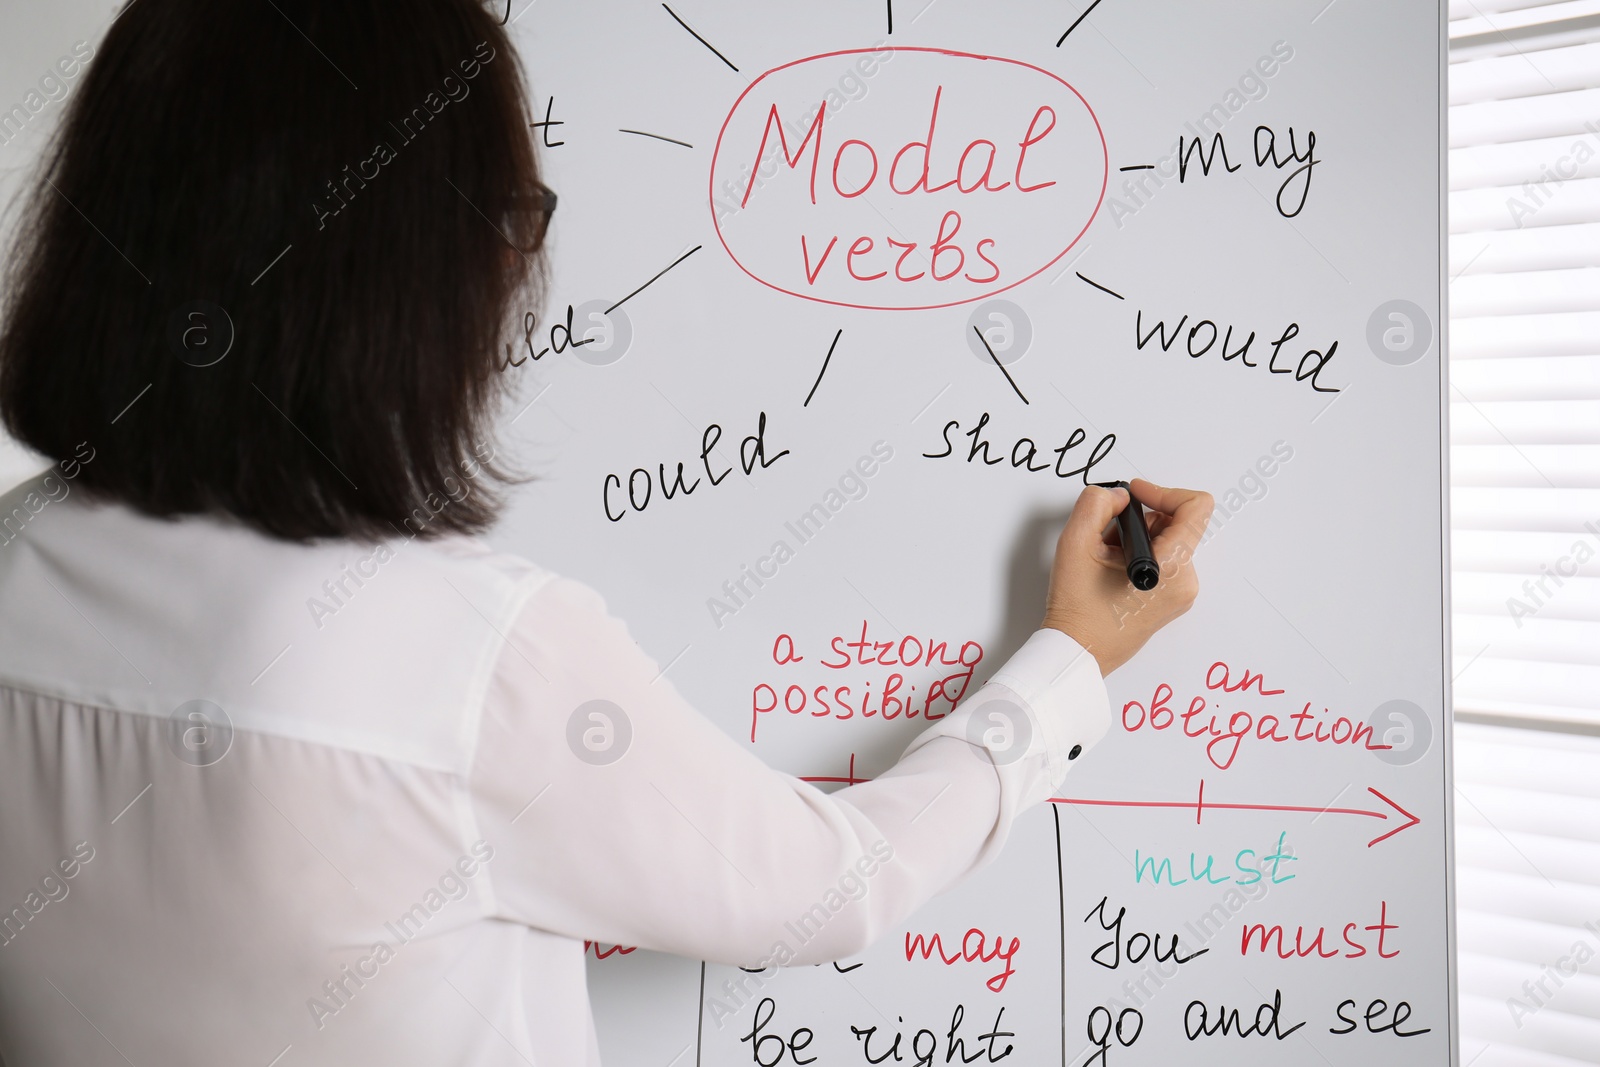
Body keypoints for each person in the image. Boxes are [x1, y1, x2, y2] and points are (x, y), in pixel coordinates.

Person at [0, 1, 1212, 1063]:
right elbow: (834, 888)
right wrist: (1074, 655)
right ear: (410, 271)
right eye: (510, 219)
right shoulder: (463, 656)